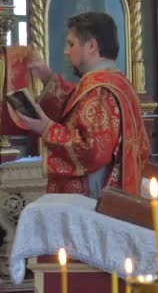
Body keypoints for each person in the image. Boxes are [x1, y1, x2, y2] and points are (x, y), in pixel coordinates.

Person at [16, 12, 149, 198]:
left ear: (91, 46)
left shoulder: (102, 90)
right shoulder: (113, 81)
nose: (66, 51)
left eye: (71, 44)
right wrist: (47, 76)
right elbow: (77, 105)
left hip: (93, 196)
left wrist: (46, 128)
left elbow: (92, 151)